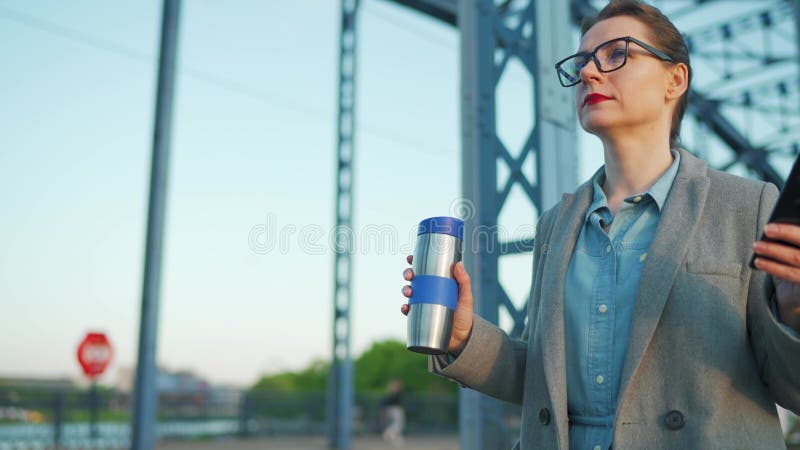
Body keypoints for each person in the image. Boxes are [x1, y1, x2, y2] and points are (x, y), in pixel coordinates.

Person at [400, 1, 800, 449]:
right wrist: (463, 337)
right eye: (582, 62)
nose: (589, 73)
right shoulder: (557, 223)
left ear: (676, 79)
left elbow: (791, 387)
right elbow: (544, 383)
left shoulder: (748, 206)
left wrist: (794, 310)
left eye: (616, 54)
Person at [379, 379, 405, 446]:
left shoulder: (394, 393)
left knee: (396, 425)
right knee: (397, 425)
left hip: (393, 410)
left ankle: (387, 435)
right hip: (394, 410)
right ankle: (388, 435)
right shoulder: (393, 394)